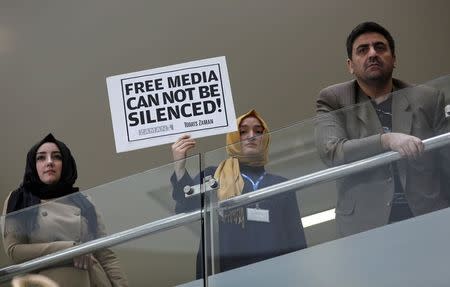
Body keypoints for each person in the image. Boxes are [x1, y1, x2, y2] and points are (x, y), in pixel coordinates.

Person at [315, 21, 450, 238]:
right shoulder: (334, 99)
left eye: (380, 47)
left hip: (428, 217)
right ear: (350, 65)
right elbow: (332, 151)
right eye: (363, 49)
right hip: (366, 228)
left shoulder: (427, 98)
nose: (372, 54)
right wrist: (386, 141)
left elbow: (446, 161)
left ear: (394, 59)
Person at [171, 109, 307, 276]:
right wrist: (179, 166)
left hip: (276, 275)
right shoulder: (213, 176)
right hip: (225, 274)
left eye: (258, 131)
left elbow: (296, 239)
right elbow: (185, 204)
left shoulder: (280, 184)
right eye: (243, 132)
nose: (251, 136)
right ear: (234, 137)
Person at [2, 134, 129, 287]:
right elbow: (14, 251)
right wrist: (70, 249)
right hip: (48, 282)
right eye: (41, 158)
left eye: (56, 157)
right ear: (33, 165)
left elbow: (105, 256)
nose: (49, 162)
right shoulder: (19, 199)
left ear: (66, 163)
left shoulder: (84, 201)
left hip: (93, 280)